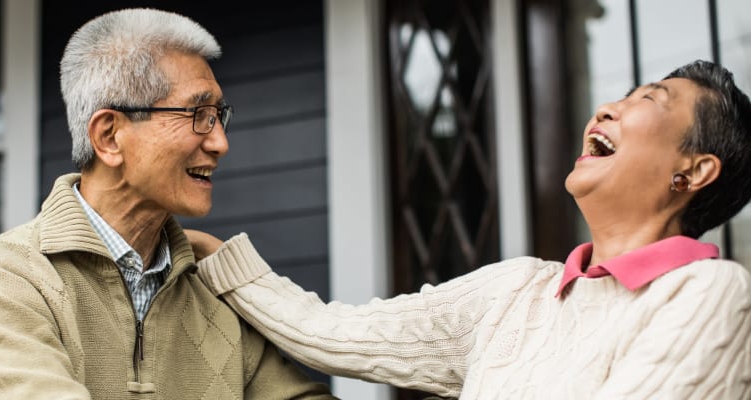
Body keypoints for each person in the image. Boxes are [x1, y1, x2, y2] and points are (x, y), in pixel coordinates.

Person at [186, 60, 751, 399]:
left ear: (694, 170)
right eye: (620, 95)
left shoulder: (710, 292)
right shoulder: (515, 292)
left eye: (648, 100)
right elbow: (335, 332)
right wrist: (216, 257)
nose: (606, 107)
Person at [0, 8, 334, 399]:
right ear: (110, 136)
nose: (220, 143)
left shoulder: (214, 288)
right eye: (198, 114)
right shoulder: (4, 282)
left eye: (219, 116)